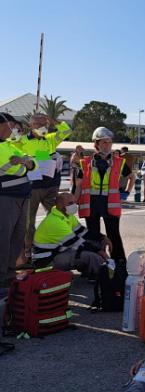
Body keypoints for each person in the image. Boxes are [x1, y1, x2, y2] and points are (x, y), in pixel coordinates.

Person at [14, 113, 72, 264]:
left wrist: (54, 121)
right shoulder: (22, 141)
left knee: (58, 216)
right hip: (32, 187)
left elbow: (66, 130)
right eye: (38, 125)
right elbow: (8, 143)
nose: (42, 127)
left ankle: (51, 246)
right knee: (29, 222)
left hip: (51, 187)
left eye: (44, 124)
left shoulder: (50, 139)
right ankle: (28, 252)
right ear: (31, 126)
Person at [74, 127, 132, 263]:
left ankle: (119, 263)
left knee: (113, 234)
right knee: (93, 235)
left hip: (110, 204)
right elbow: (79, 184)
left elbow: (132, 177)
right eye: (105, 142)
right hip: (91, 203)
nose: (108, 145)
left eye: (110, 142)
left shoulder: (118, 161)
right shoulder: (85, 163)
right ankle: (95, 264)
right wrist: (74, 201)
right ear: (97, 144)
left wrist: (126, 193)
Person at [32, 193, 110, 276]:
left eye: (74, 202)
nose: (74, 205)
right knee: (90, 255)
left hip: (57, 252)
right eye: (70, 203)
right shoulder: (55, 222)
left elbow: (83, 232)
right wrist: (99, 251)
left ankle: (92, 271)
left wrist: (102, 238)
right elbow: (79, 244)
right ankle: (105, 276)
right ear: (60, 205)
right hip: (46, 261)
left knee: (96, 243)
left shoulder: (67, 215)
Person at [0, 113, 37, 286]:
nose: (15, 129)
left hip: (23, 196)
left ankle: (9, 272)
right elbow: (12, 166)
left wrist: (25, 162)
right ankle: (2, 275)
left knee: (18, 236)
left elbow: (31, 160)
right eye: (13, 125)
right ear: (4, 124)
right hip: (6, 197)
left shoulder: (9, 144)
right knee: (4, 237)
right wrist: (24, 163)